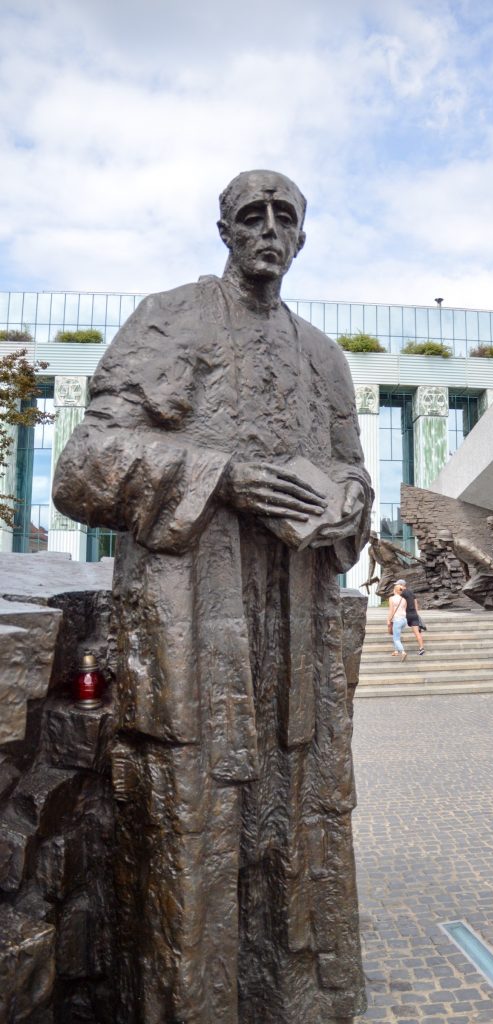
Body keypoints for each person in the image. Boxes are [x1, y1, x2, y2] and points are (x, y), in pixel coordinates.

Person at [53, 170, 370, 1023]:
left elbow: (354, 483)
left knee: (298, 828)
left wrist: (345, 502)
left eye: (285, 217)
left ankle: (299, 1000)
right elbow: (81, 468)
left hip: (298, 640)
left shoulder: (323, 358)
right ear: (224, 232)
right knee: (195, 839)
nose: (269, 230)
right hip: (197, 627)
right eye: (251, 216)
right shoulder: (171, 318)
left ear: (302, 236)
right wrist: (221, 476)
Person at [395, 577, 425, 655]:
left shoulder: (401, 594)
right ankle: (421, 648)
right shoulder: (411, 592)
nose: (396, 587)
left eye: (397, 585)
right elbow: (415, 601)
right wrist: (416, 612)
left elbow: (401, 604)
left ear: (401, 585)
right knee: (417, 633)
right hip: (414, 614)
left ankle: (397, 650)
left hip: (405, 615)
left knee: (397, 632)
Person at [387, 582, 408, 661]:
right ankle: (396, 651)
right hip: (404, 620)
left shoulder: (391, 598)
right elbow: (404, 610)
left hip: (397, 620)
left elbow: (391, 611)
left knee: (396, 638)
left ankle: (403, 652)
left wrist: (388, 620)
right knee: (397, 636)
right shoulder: (404, 599)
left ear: (394, 590)